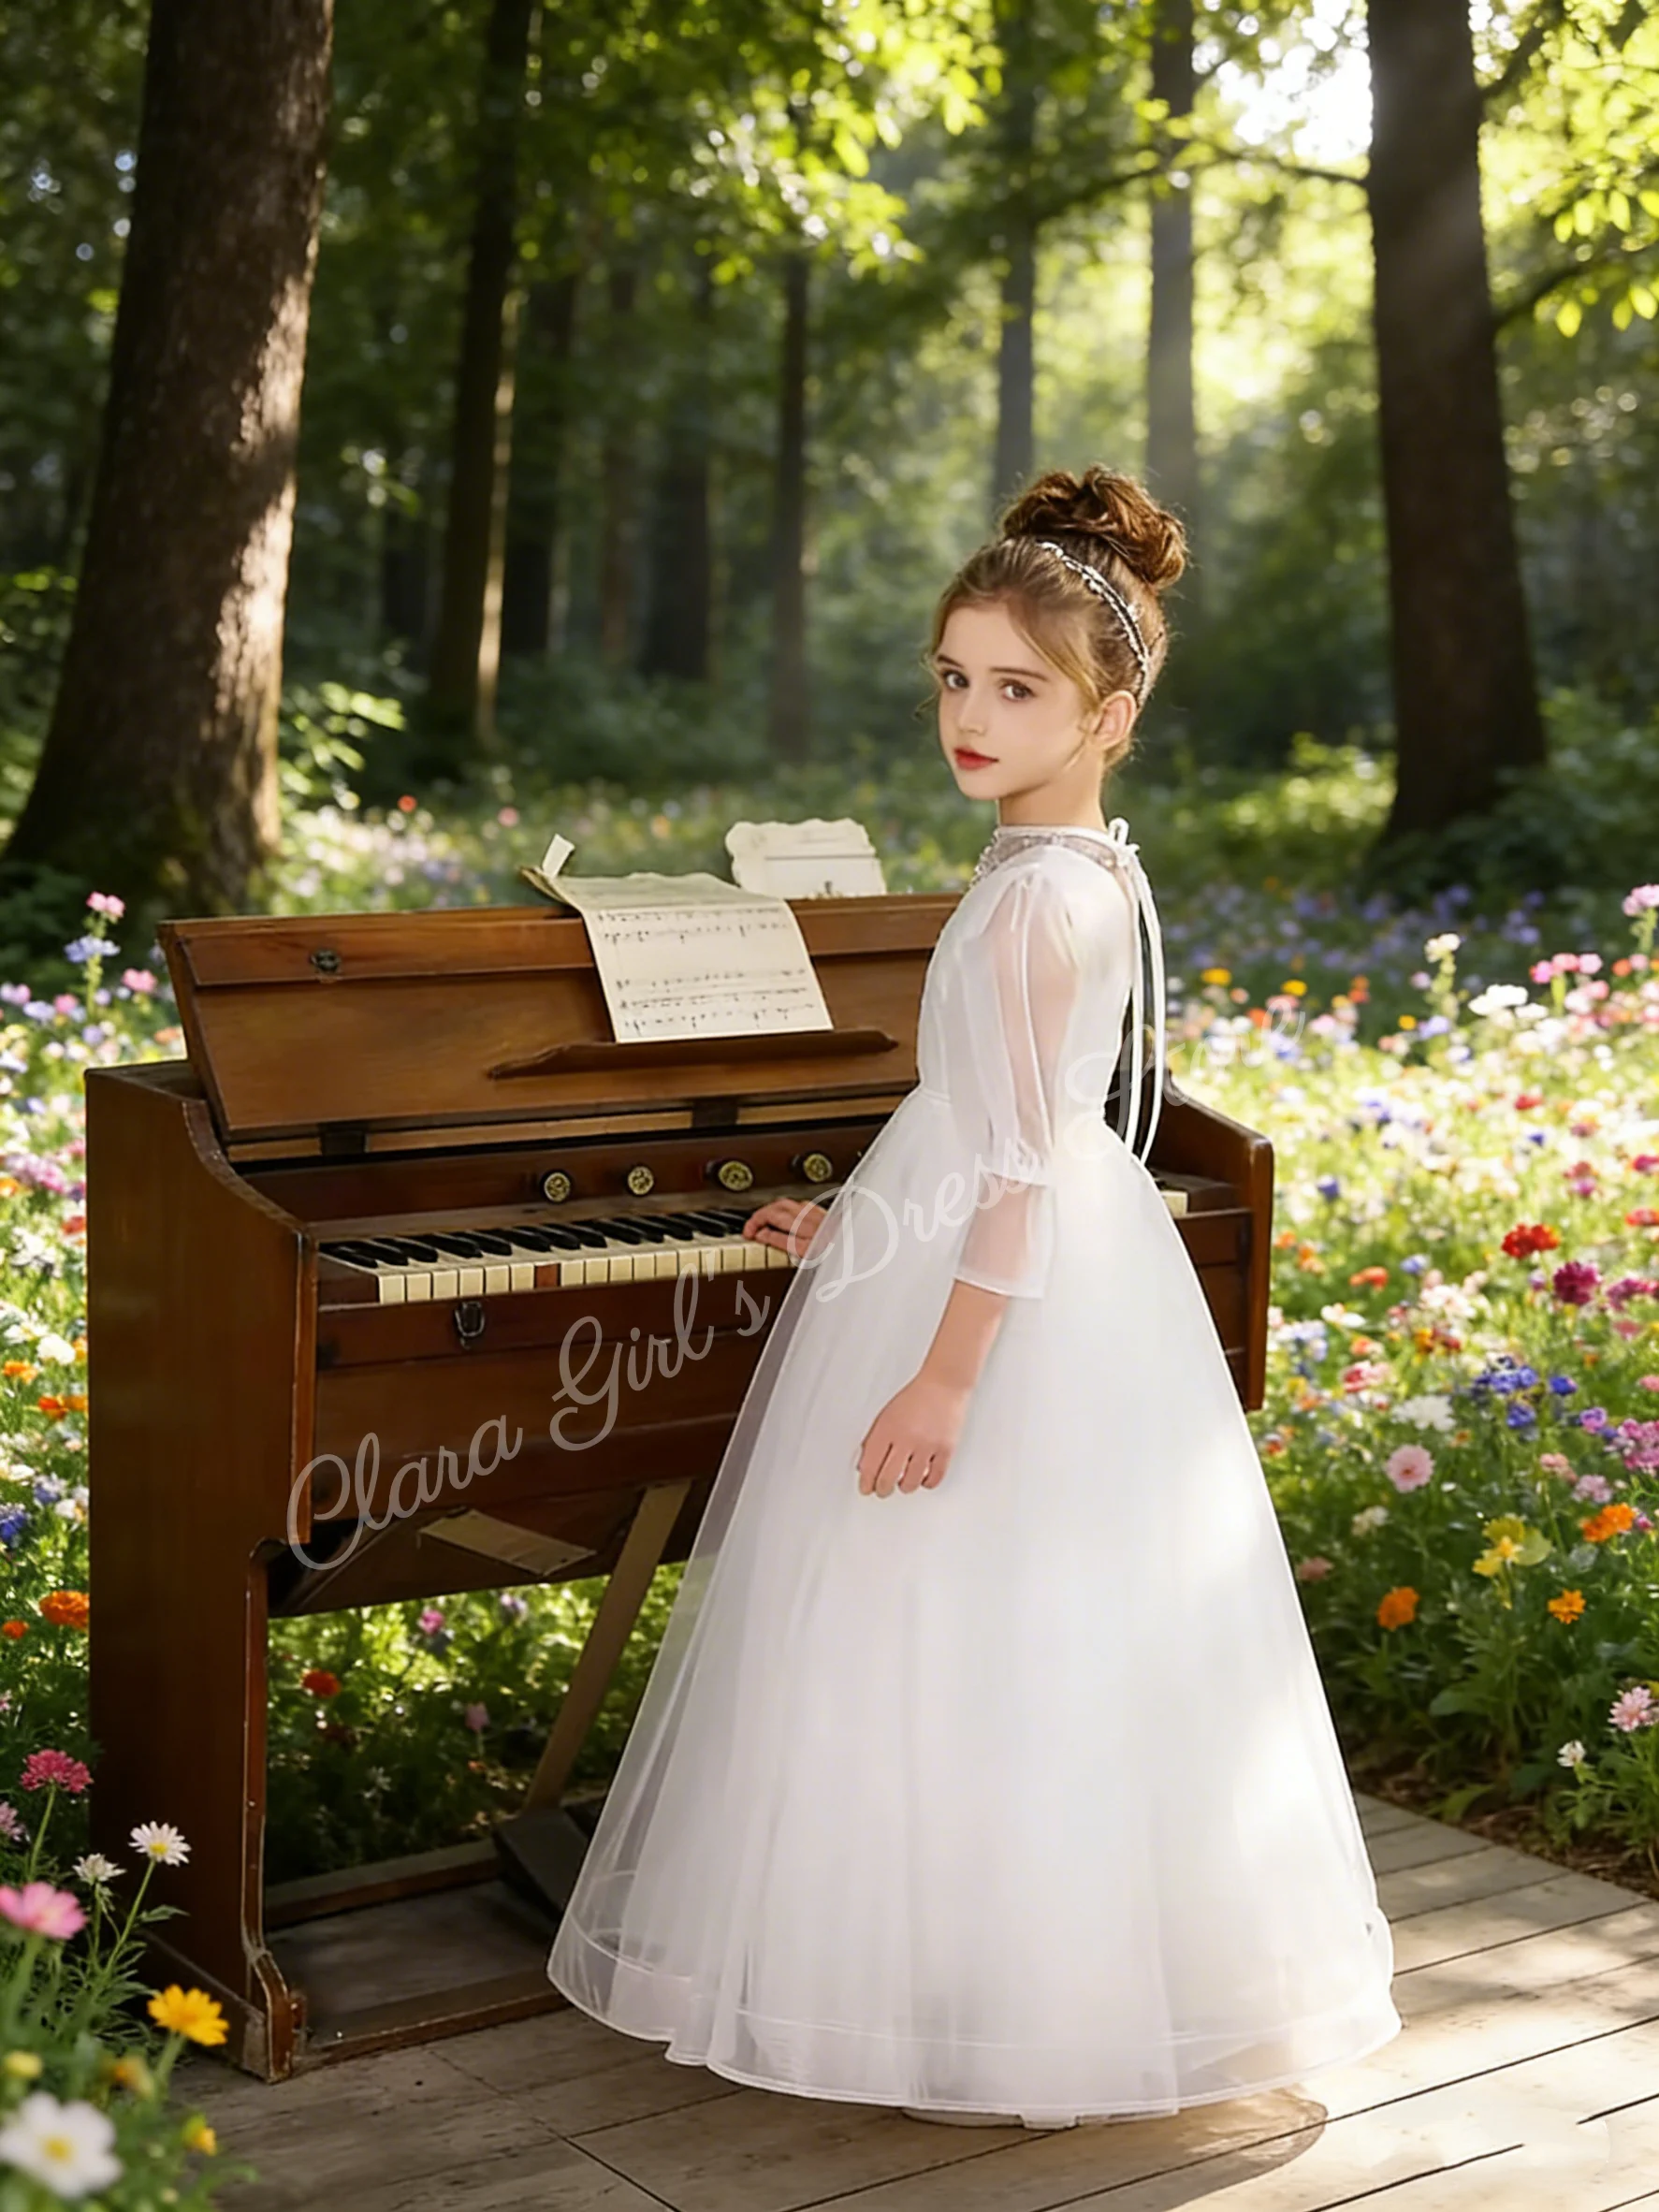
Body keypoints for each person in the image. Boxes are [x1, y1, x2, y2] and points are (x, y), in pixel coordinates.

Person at [545, 464, 1402, 2129]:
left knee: (956, 1628)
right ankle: (1025, 1972)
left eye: (1018, 687)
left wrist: (938, 1378)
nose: (971, 713)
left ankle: (971, 1995)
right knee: (1056, 1642)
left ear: (1111, 706)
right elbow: (994, 1130)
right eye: (954, 678)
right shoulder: (1084, 872)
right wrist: (860, 1228)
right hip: (1059, 1269)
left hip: (1007, 1300)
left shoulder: (1024, 907)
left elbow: (1011, 1176)